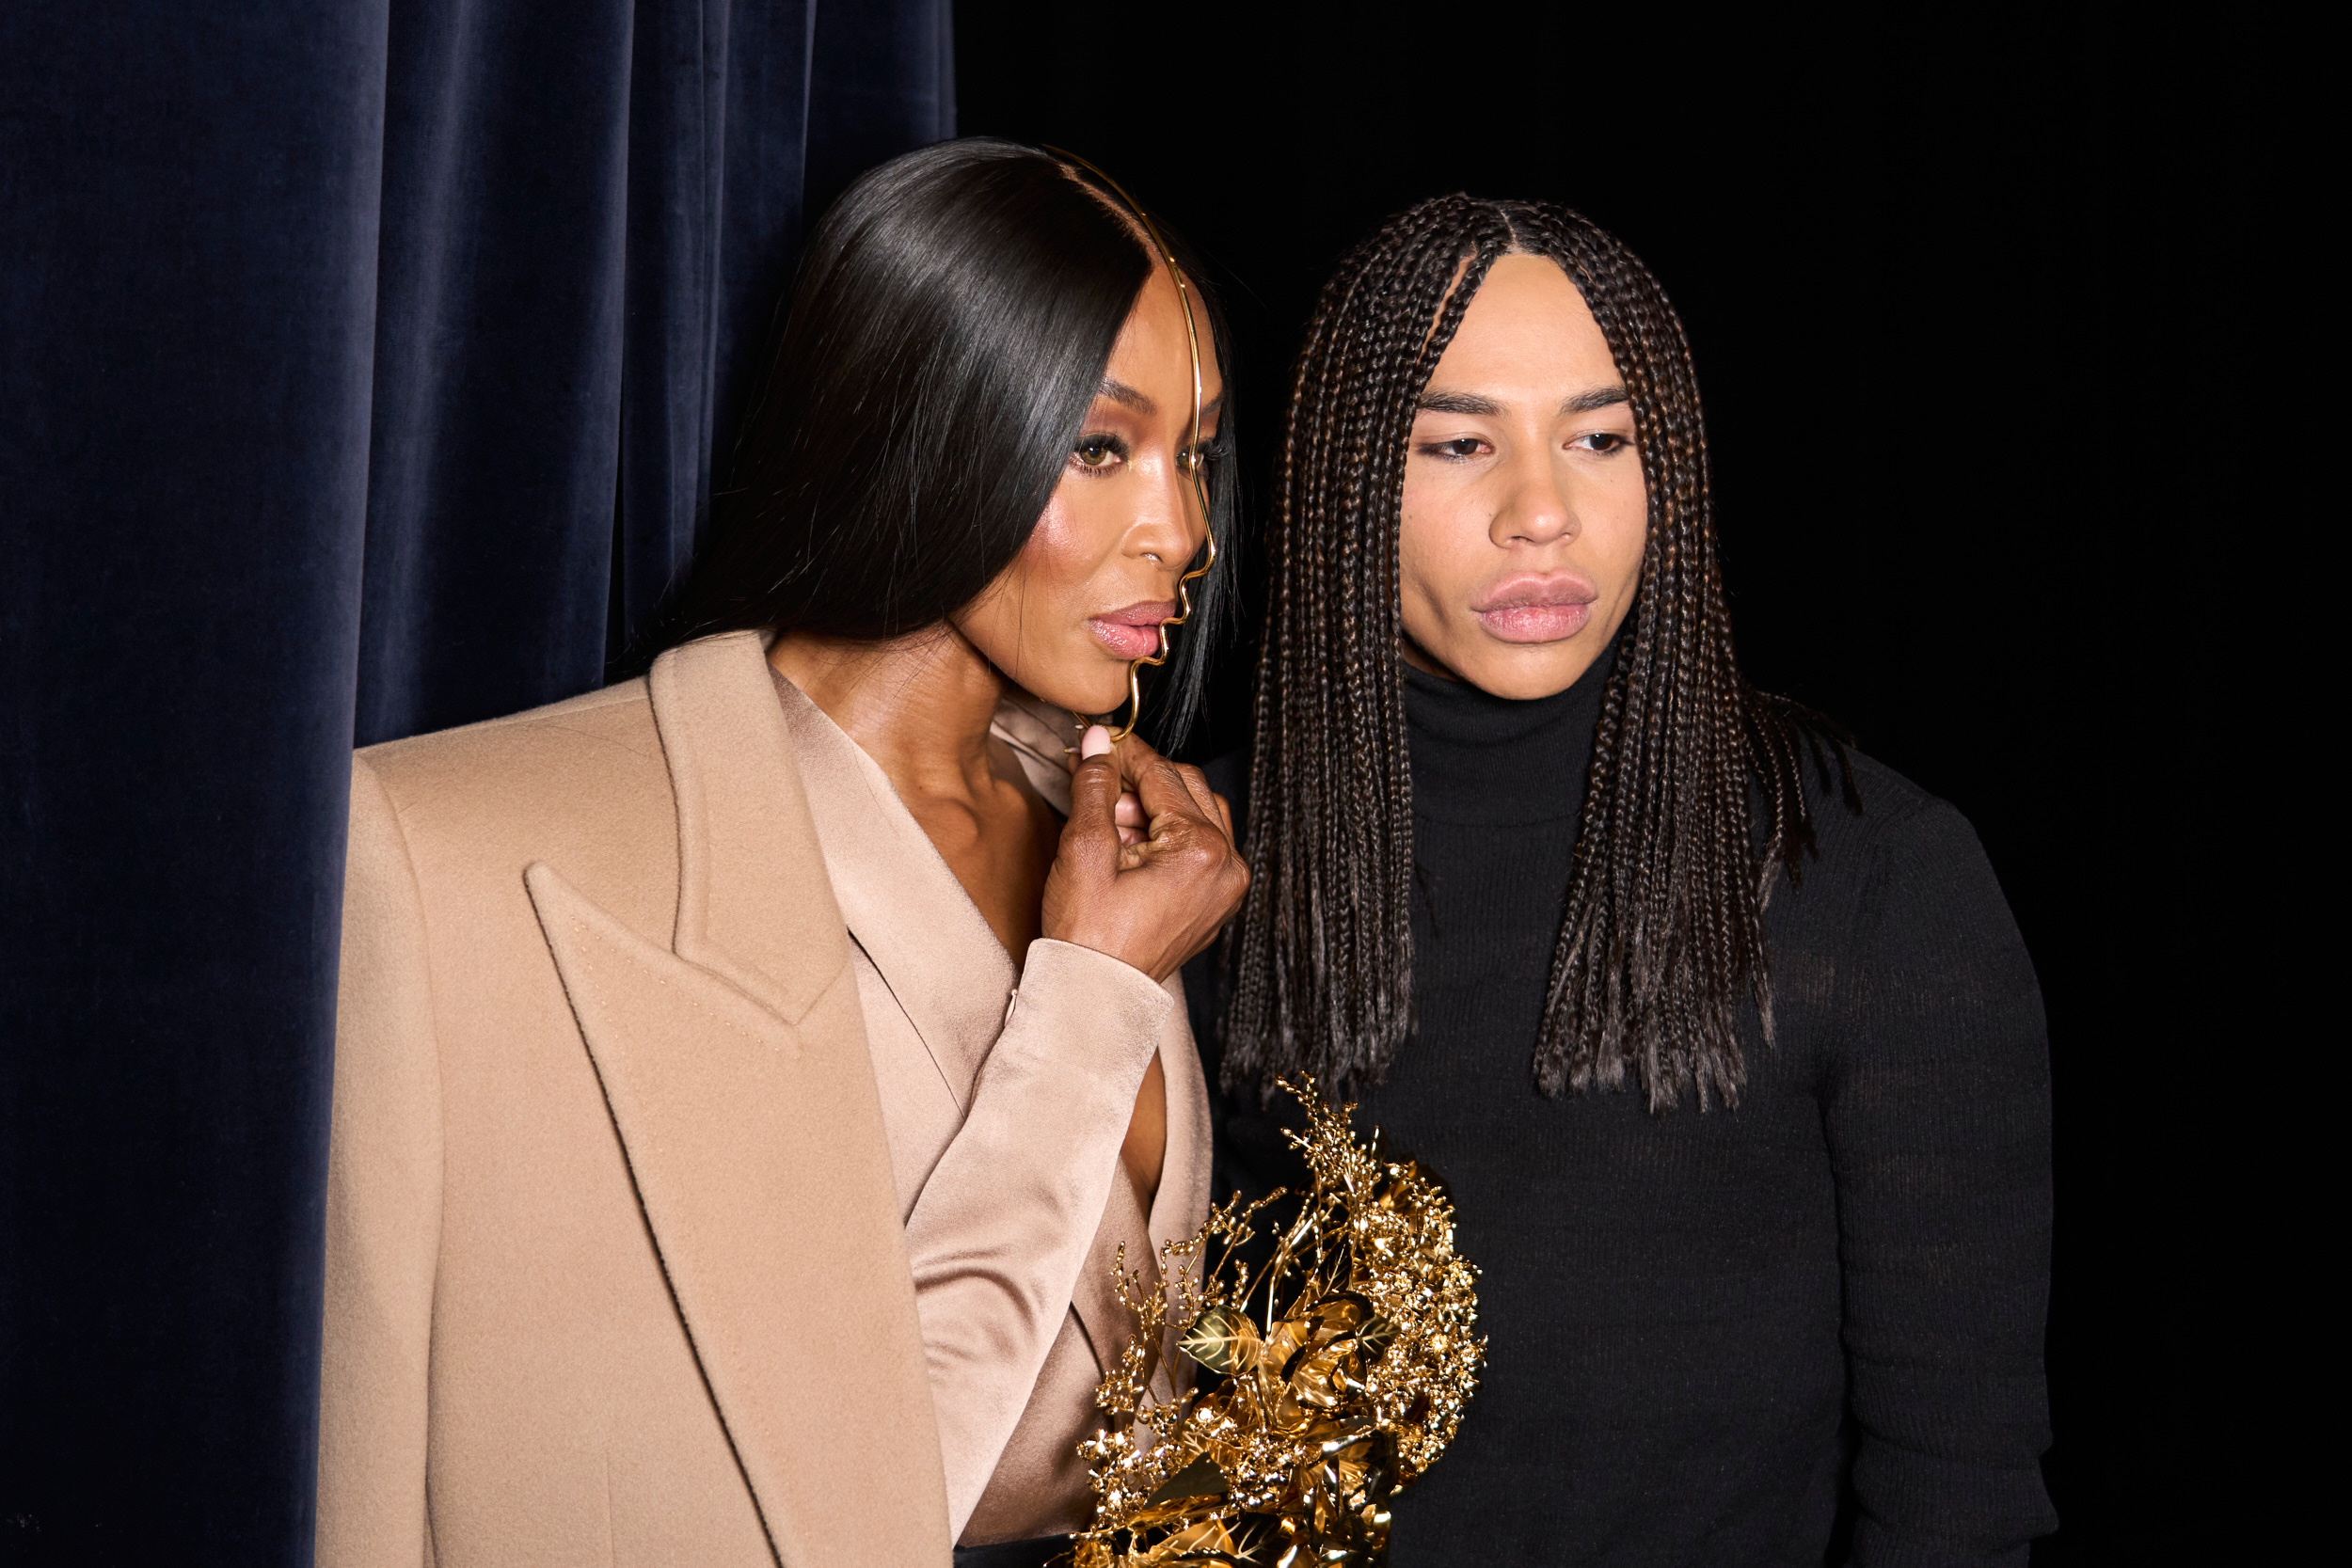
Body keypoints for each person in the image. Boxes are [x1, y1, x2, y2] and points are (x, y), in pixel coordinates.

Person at [317, 138, 1248, 1568]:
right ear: (924, 424)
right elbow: (853, 1493)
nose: (1179, 529)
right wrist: (1093, 993)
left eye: (1192, 454)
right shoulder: (455, 855)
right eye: (1100, 448)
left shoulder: (1108, 826)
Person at [1189, 198, 2056, 1564]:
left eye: (1602, 437)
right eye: (1461, 443)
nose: (1544, 512)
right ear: (1341, 476)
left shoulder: (1873, 873)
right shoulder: (1202, 864)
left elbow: (1960, 1490)